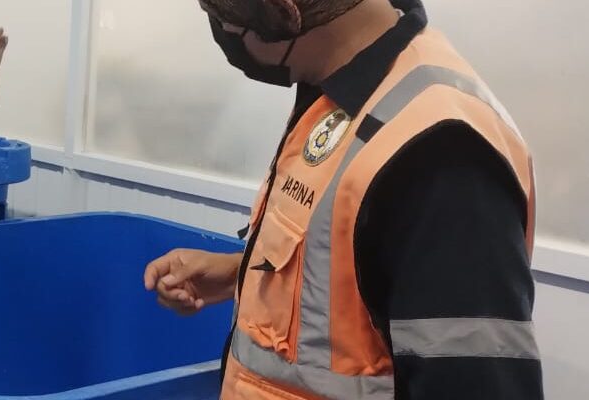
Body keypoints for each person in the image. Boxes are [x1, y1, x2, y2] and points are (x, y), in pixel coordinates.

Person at [143, 0, 543, 398]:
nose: (221, 30)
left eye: (224, 16)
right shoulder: (339, 93)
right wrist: (240, 274)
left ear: (283, 12)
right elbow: (358, 267)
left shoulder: (441, 157)